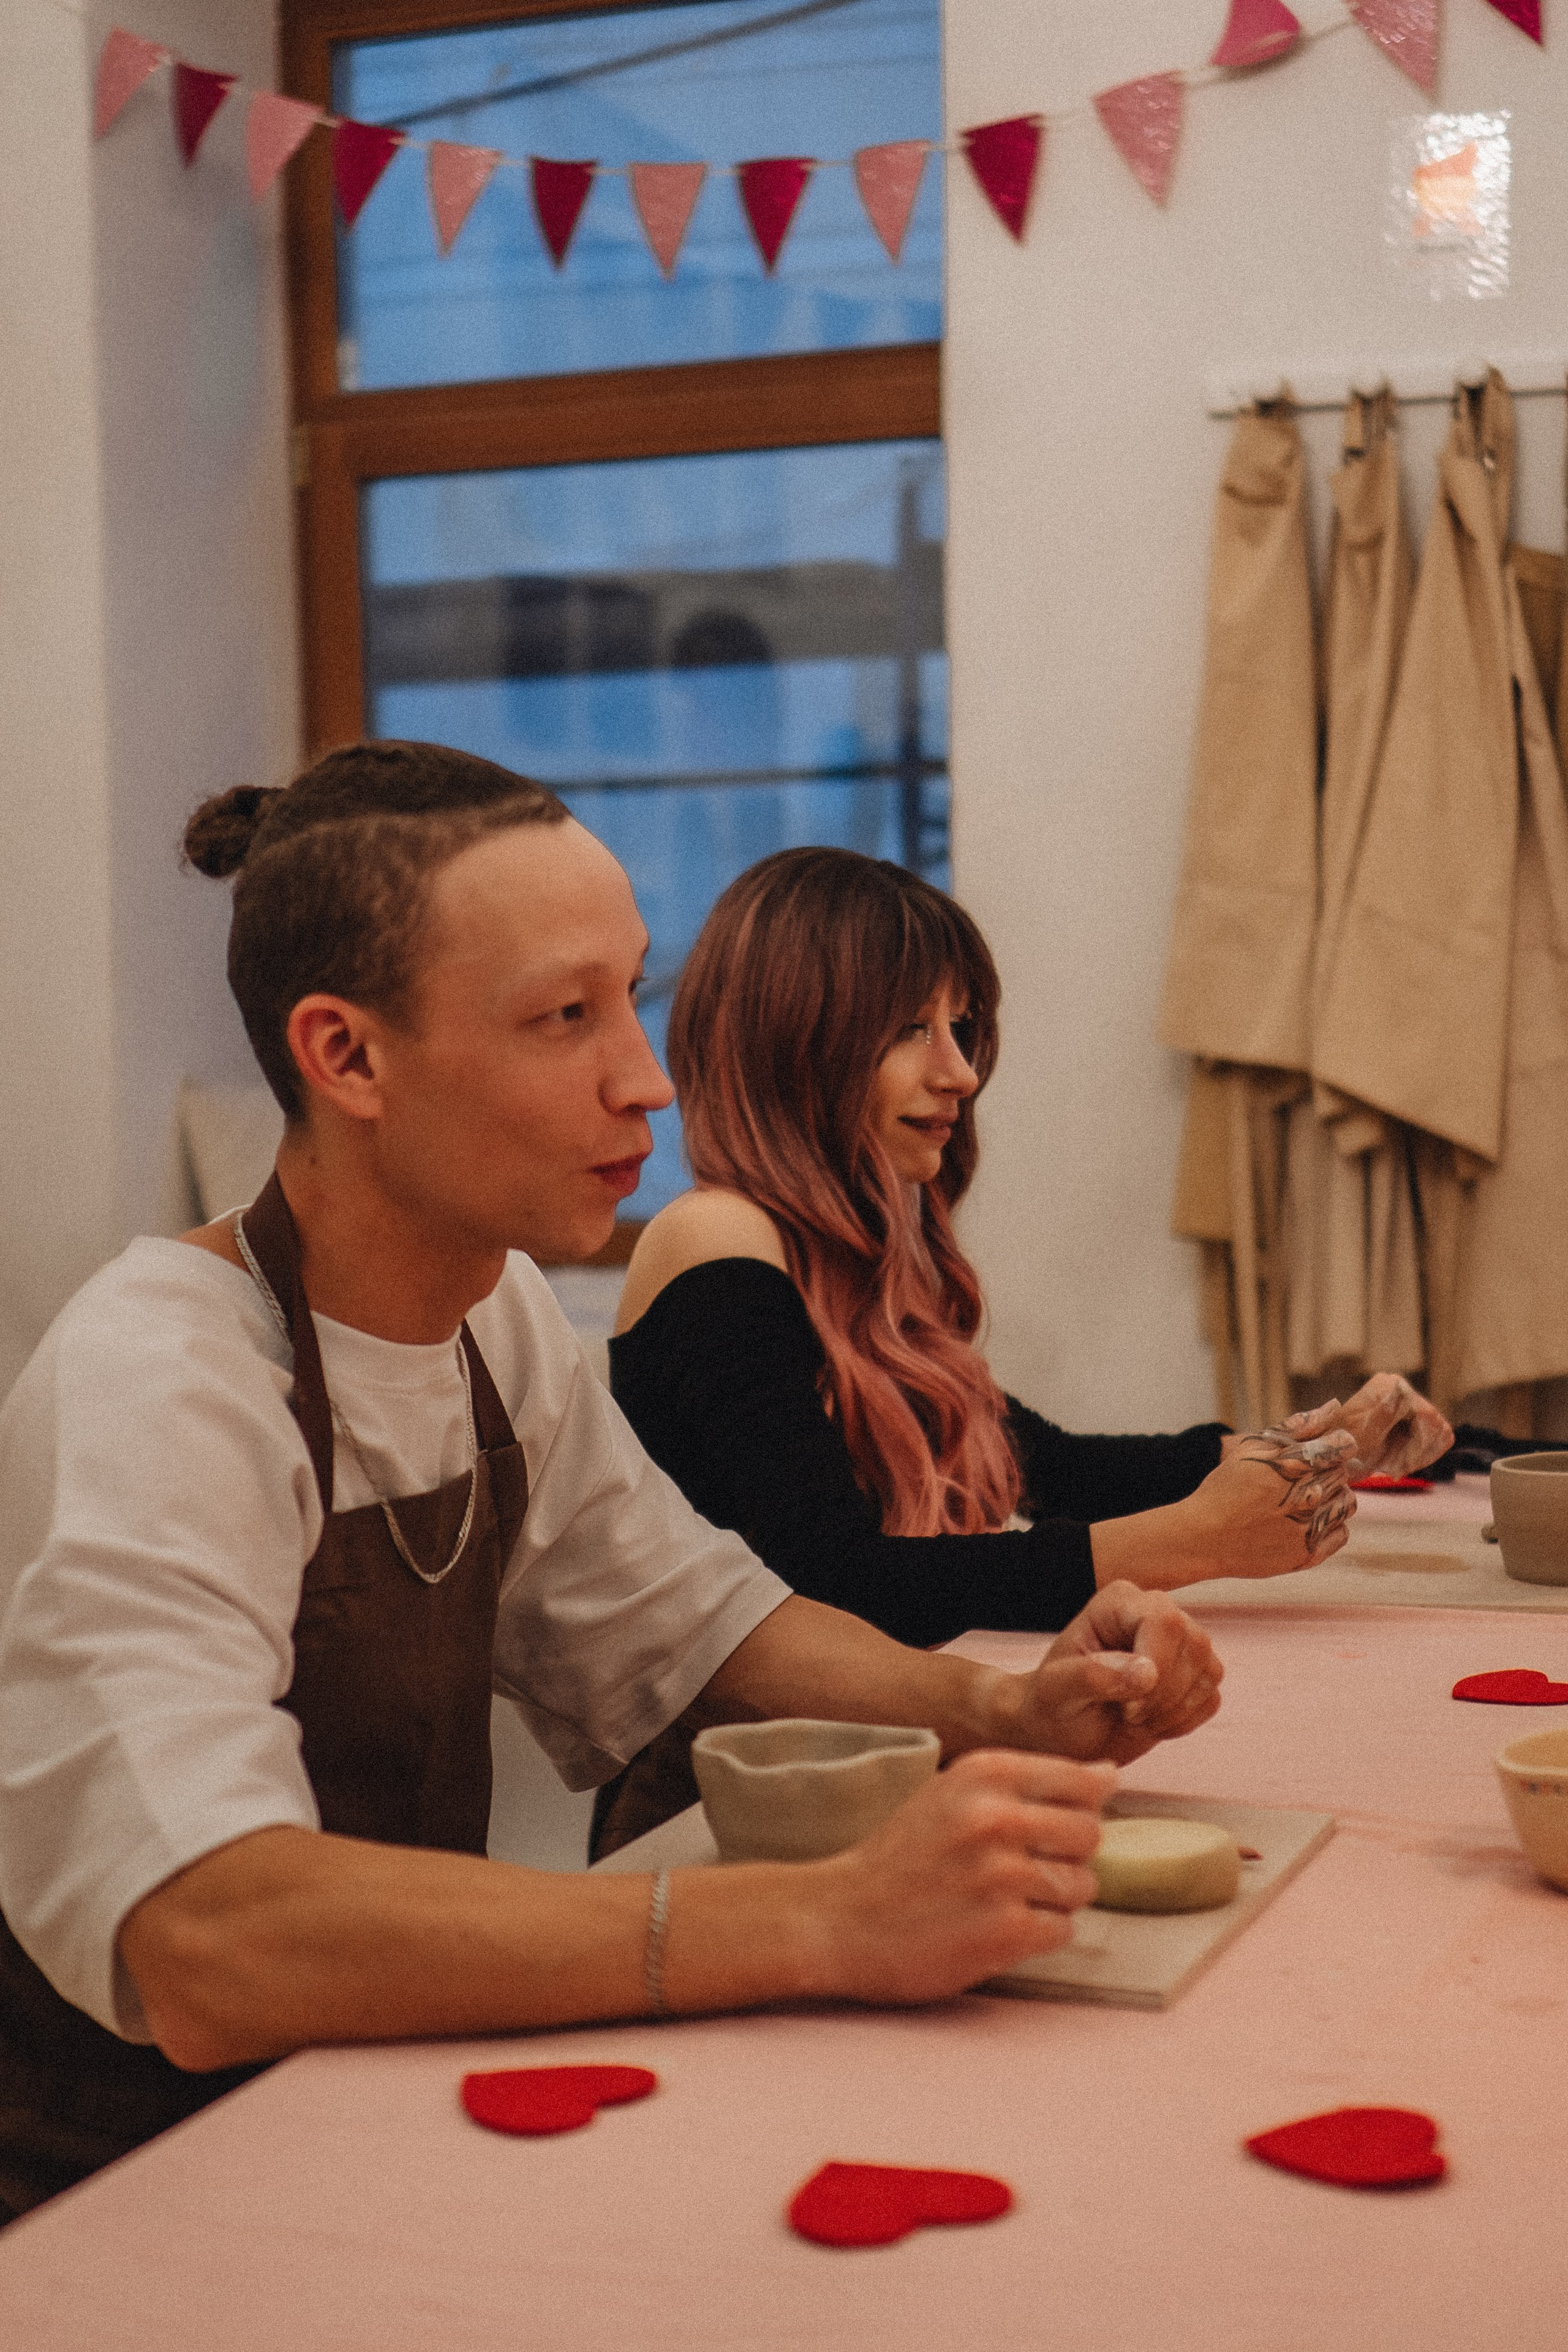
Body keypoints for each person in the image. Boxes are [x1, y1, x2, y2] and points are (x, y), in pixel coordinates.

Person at [0, 744, 1223, 2225]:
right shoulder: (165, 1377)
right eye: (562, 1018)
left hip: (373, 2098)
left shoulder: (493, 1318)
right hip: (125, 2186)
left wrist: (1004, 1709)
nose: (644, 1081)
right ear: (347, 1055)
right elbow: (205, 1936)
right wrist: (821, 1919)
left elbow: (695, 1624)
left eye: (628, 1000)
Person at [600, 848, 1453, 1850]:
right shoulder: (714, 1238)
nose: (960, 1071)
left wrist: (1316, 1450)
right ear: (800, 1044)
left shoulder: (860, 1258)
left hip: (871, 1764)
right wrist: (1195, 1539)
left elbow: (1041, 1463)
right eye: (912, 1029)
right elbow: (835, 1582)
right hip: (730, 1808)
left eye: (961, 1028)